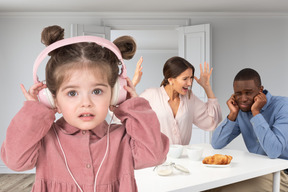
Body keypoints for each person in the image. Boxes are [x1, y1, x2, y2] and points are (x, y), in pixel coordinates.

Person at [1, 25, 169, 192]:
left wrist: (132, 106)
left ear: (115, 94)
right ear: (53, 100)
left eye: (97, 91)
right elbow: (15, 161)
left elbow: (154, 155)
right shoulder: (44, 139)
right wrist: (34, 112)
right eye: (72, 93)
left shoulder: (123, 139)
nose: (86, 102)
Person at [210, 68, 288, 192]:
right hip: (258, 171)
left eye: (248, 92)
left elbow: (274, 152)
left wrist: (256, 113)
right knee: (210, 186)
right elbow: (216, 143)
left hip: (282, 175)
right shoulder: (241, 111)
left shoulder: (283, 106)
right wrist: (232, 114)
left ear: (260, 91)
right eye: (238, 93)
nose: (243, 98)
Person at [133, 56, 222, 145]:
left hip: (182, 157)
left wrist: (207, 87)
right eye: (185, 78)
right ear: (171, 79)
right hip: (156, 157)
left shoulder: (189, 98)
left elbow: (211, 121)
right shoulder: (151, 95)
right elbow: (127, 113)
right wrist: (133, 83)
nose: (190, 83)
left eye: (191, 77)